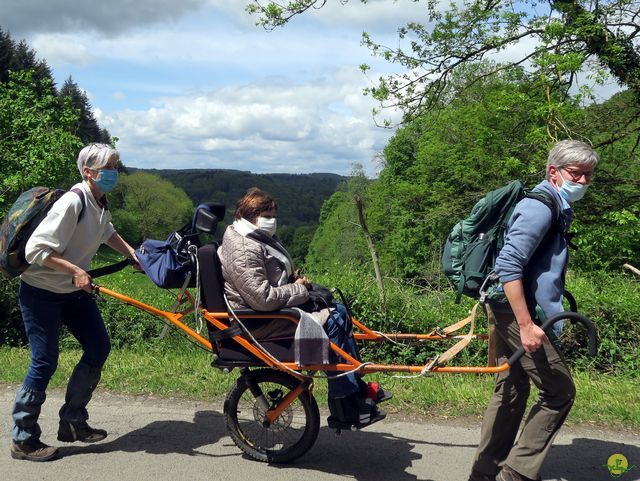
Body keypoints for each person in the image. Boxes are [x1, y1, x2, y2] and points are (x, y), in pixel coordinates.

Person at [468, 140, 599, 481]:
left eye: (589, 175)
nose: (583, 181)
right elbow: (509, 265)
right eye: (576, 173)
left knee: (511, 389)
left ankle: (484, 473)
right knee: (559, 391)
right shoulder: (541, 207)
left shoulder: (552, 203)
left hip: (506, 307)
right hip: (515, 312)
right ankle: (518, 472)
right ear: (554, 172)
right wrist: (526, 326)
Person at [218, 187, 390, 428]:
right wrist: (299, 289)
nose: (273, 221)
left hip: (269, 314)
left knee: (338, 311)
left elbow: (270, 277)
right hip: (260, 322)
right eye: (269, 216)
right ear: (251, 215)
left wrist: (296, 281)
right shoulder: (244, 248)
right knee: (335, 320)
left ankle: (355, 390)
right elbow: (262, 298)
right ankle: (346, 405)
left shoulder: (252, 237)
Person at [10, 143, 139, 462]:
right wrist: (76, 271)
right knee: (44, 361)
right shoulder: (73, 201)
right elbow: (35, 251)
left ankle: (72, 422)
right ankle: (23, 439)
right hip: (41, 292)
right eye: (109, 167)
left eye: (115, 166)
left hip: (72, 291)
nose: (114, 172)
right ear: (88, 172)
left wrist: (134, 255)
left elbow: (107, 232)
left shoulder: (99, 202)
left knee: (98, 347)